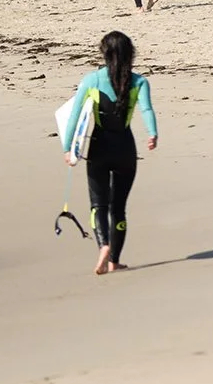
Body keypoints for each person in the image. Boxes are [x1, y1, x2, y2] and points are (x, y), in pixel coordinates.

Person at [63, 31, 158, 275]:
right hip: (126, 148)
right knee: (119, 207)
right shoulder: (139, 82)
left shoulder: (90, 81)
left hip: (99, 148)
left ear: (104, 54)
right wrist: (152, 134)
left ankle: (103, 245)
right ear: (130, 54)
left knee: (98, 205)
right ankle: (115, 260)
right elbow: (146, 109)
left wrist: (68, 148)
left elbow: (74, 117)